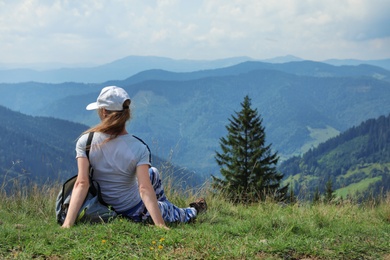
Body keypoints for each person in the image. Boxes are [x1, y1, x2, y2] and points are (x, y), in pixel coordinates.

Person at [61, 86, 206, 229]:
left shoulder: (86, 141)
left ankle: (163, 205)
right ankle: (194, 210)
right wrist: (160, 224)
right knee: (181, 214)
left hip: (105, 203)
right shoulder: (138, 147)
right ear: (127, 113)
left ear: (103, 112)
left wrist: (68, 223)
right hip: (134, 209)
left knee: (152, 172)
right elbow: (143, 188)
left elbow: (82, 183)